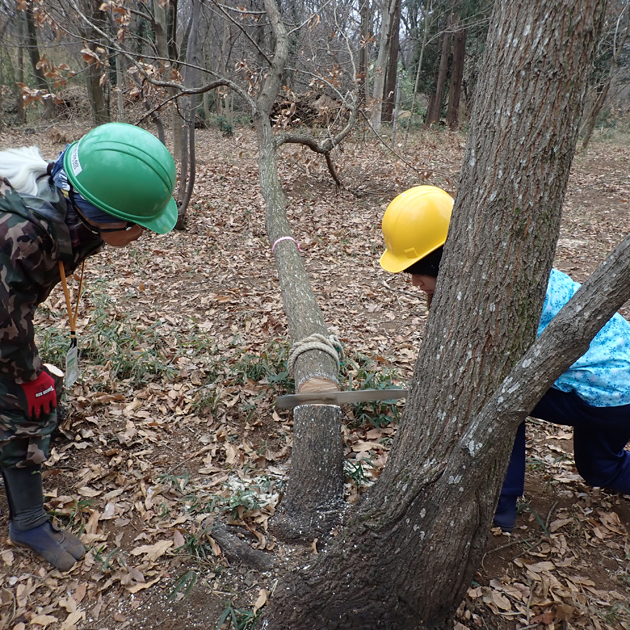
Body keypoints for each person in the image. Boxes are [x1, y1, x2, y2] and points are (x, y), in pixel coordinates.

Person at [380, 185, 630, 532]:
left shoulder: (495, 298)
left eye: (419, 270)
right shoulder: (501, 264)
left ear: (445, 260)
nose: (415, 282)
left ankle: (500, 510)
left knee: (495, 395)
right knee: (600, 467)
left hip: (611, 394)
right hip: (614, 387)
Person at [0, 122, 178, 570]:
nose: (144, 233)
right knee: (22, 408)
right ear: (100, 213)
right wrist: (29, 377)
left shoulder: (69, 202)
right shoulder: (22, 235)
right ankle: (28, 520)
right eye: (138, 224)